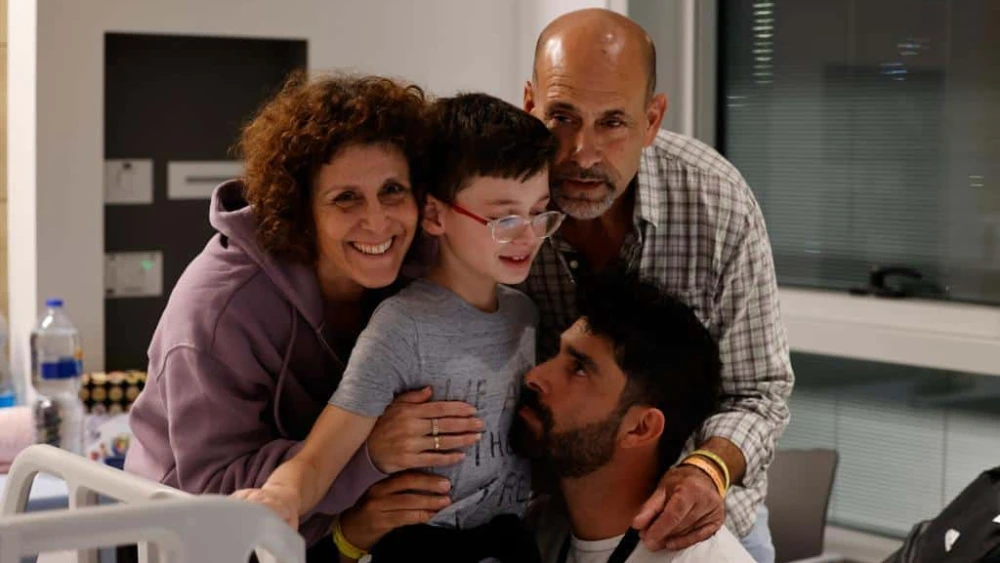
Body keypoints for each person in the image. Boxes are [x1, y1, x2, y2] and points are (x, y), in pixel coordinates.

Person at [124, 74, 485, 561]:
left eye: (393, 190)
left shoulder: (421, 267)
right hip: (185, 538)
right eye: (346, 198)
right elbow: (212, 495)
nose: (377, 221)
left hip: (331, 530)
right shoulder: (217, 310)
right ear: (301, 210)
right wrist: (369, 452)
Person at [233, 92, 561, 562]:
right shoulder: (402, 327)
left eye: (539, 212)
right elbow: (321, 457)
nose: (527, 236)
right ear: (433, 215)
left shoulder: (525, 314)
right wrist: (280, 498)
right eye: (503, 218)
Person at [521, 9, 793, 562]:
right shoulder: (493, 203)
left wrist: (707, 469)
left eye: (613, 122)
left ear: (652, 119)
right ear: (529, 106)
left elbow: (760, 393)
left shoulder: (715, 203)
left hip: (701, 526)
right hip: (548, 518)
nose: (582, 153)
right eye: (562, 117)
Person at [513, 271, 754, 563]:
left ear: (640, 428)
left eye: (578, 369)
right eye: (555, 355)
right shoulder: (537, 532)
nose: (534, 376)